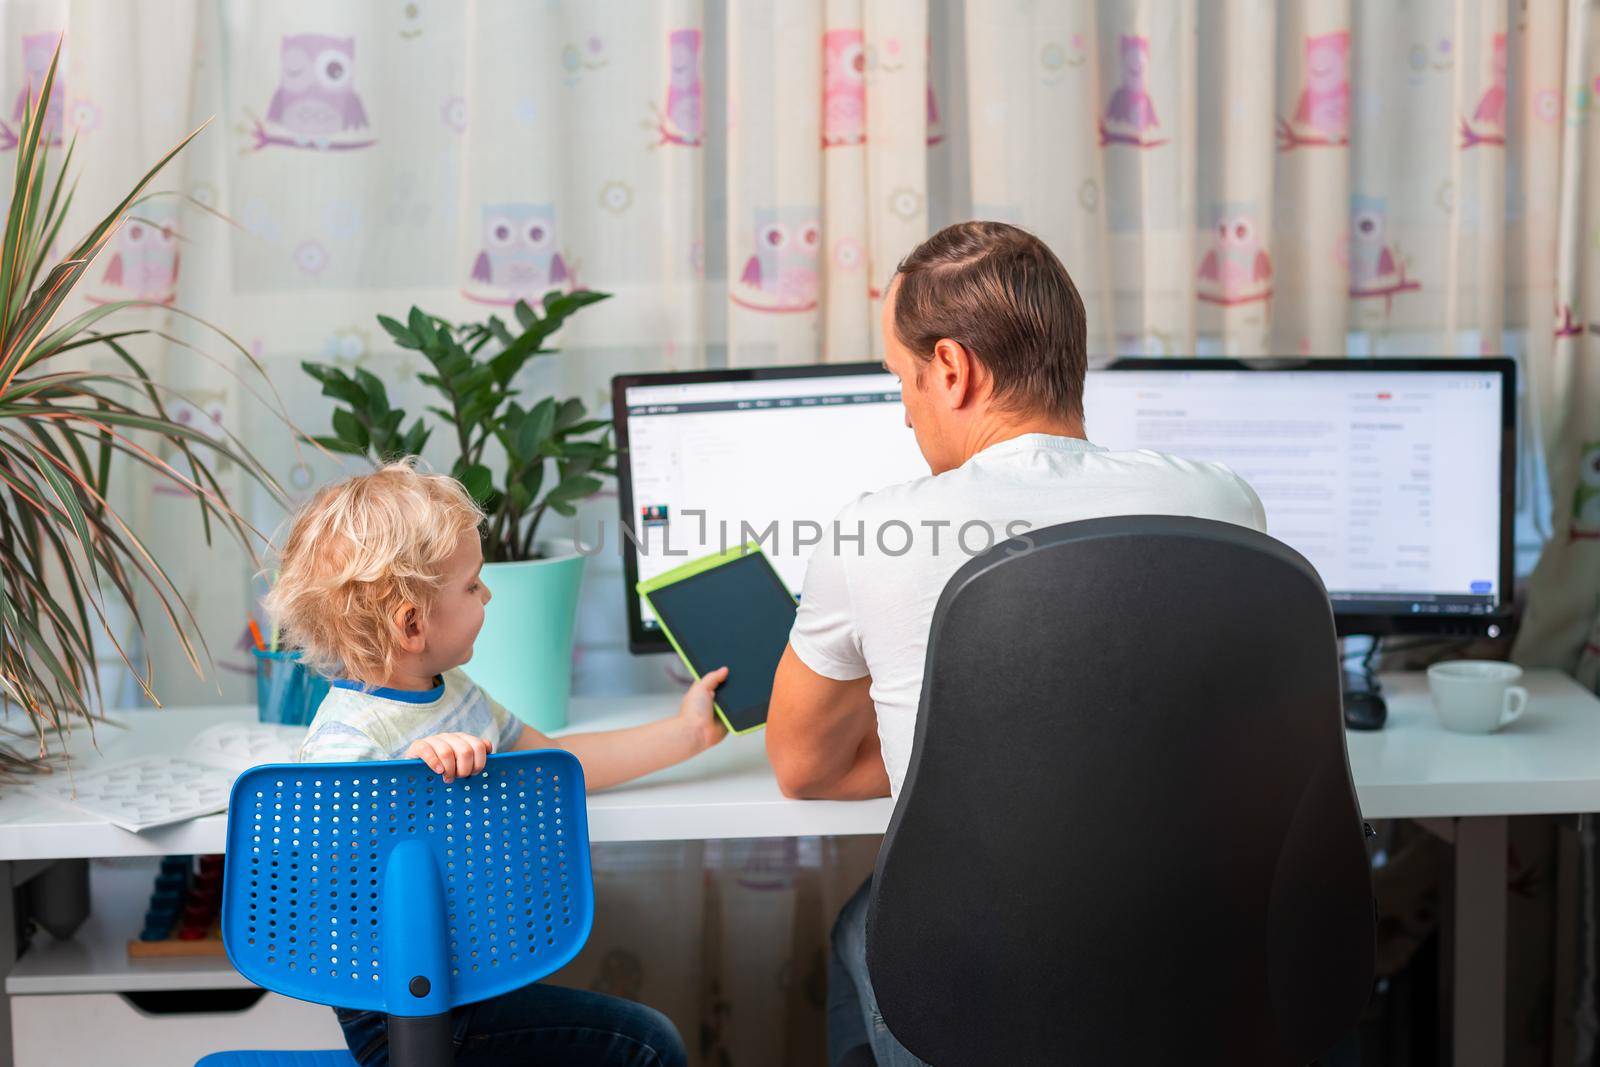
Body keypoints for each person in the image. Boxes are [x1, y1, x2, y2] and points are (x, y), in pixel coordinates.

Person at [764, 221, 1268, 1066]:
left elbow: (803, 764)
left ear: (952, 369)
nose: (904, 410)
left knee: (865, 921)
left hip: (981, 986)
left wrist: (963, 748)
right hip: (1200, 965)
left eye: (904, 379)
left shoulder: (874, 531)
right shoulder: (1224, 502)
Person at [266, 459, 728, 1067]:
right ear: (412, 623)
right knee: (646, 1046)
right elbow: (310, 893)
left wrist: (686, 733)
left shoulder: (452, 691)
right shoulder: (345, 741)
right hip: (405, 1015)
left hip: (469, 988)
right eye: (471, 584)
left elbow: (555, 765)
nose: (487, 593)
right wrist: (408, 783)